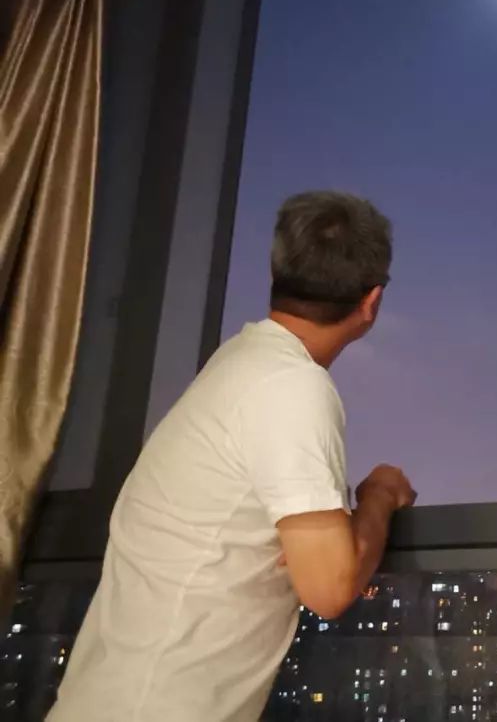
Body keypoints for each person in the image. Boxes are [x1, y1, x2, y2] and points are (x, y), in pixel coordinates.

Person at [49, 192, 415, 722]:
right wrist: (378, 494)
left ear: (275, 274)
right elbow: (330, 587)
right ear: (372, 303)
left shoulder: (240, 363)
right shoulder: (290, 386)